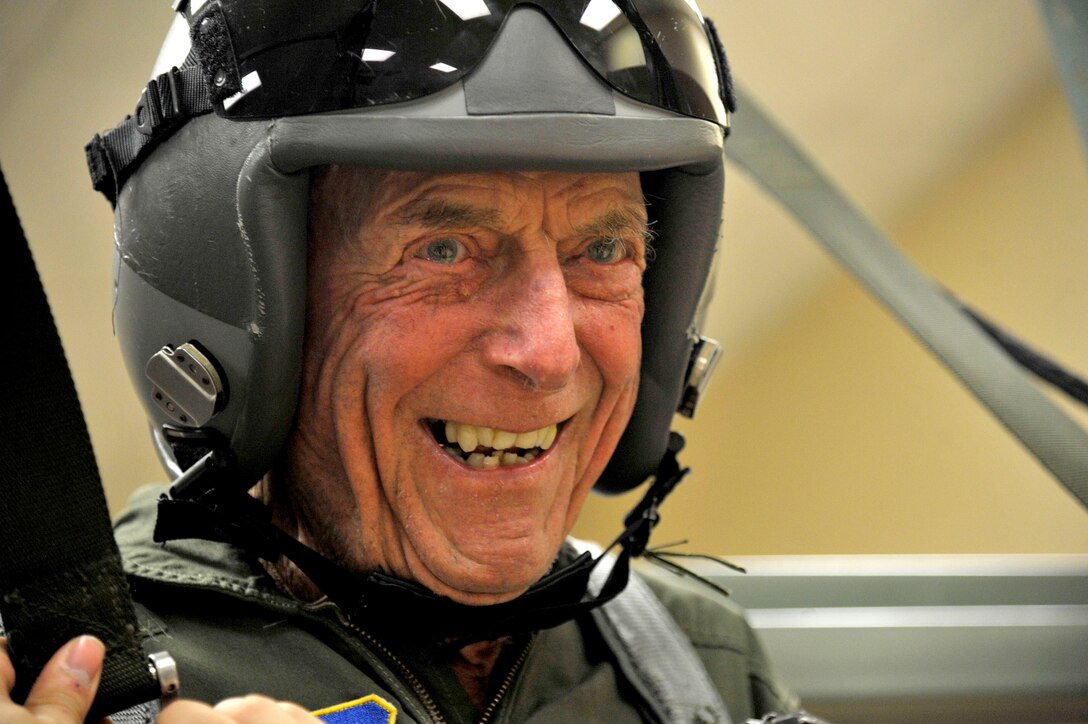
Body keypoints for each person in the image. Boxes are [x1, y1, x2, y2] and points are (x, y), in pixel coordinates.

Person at [1, 2, 804, 722]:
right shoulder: (54, 679)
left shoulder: (700, 665)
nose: (548, 353)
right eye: (445, 249)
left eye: (603, 250)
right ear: (247, 302)